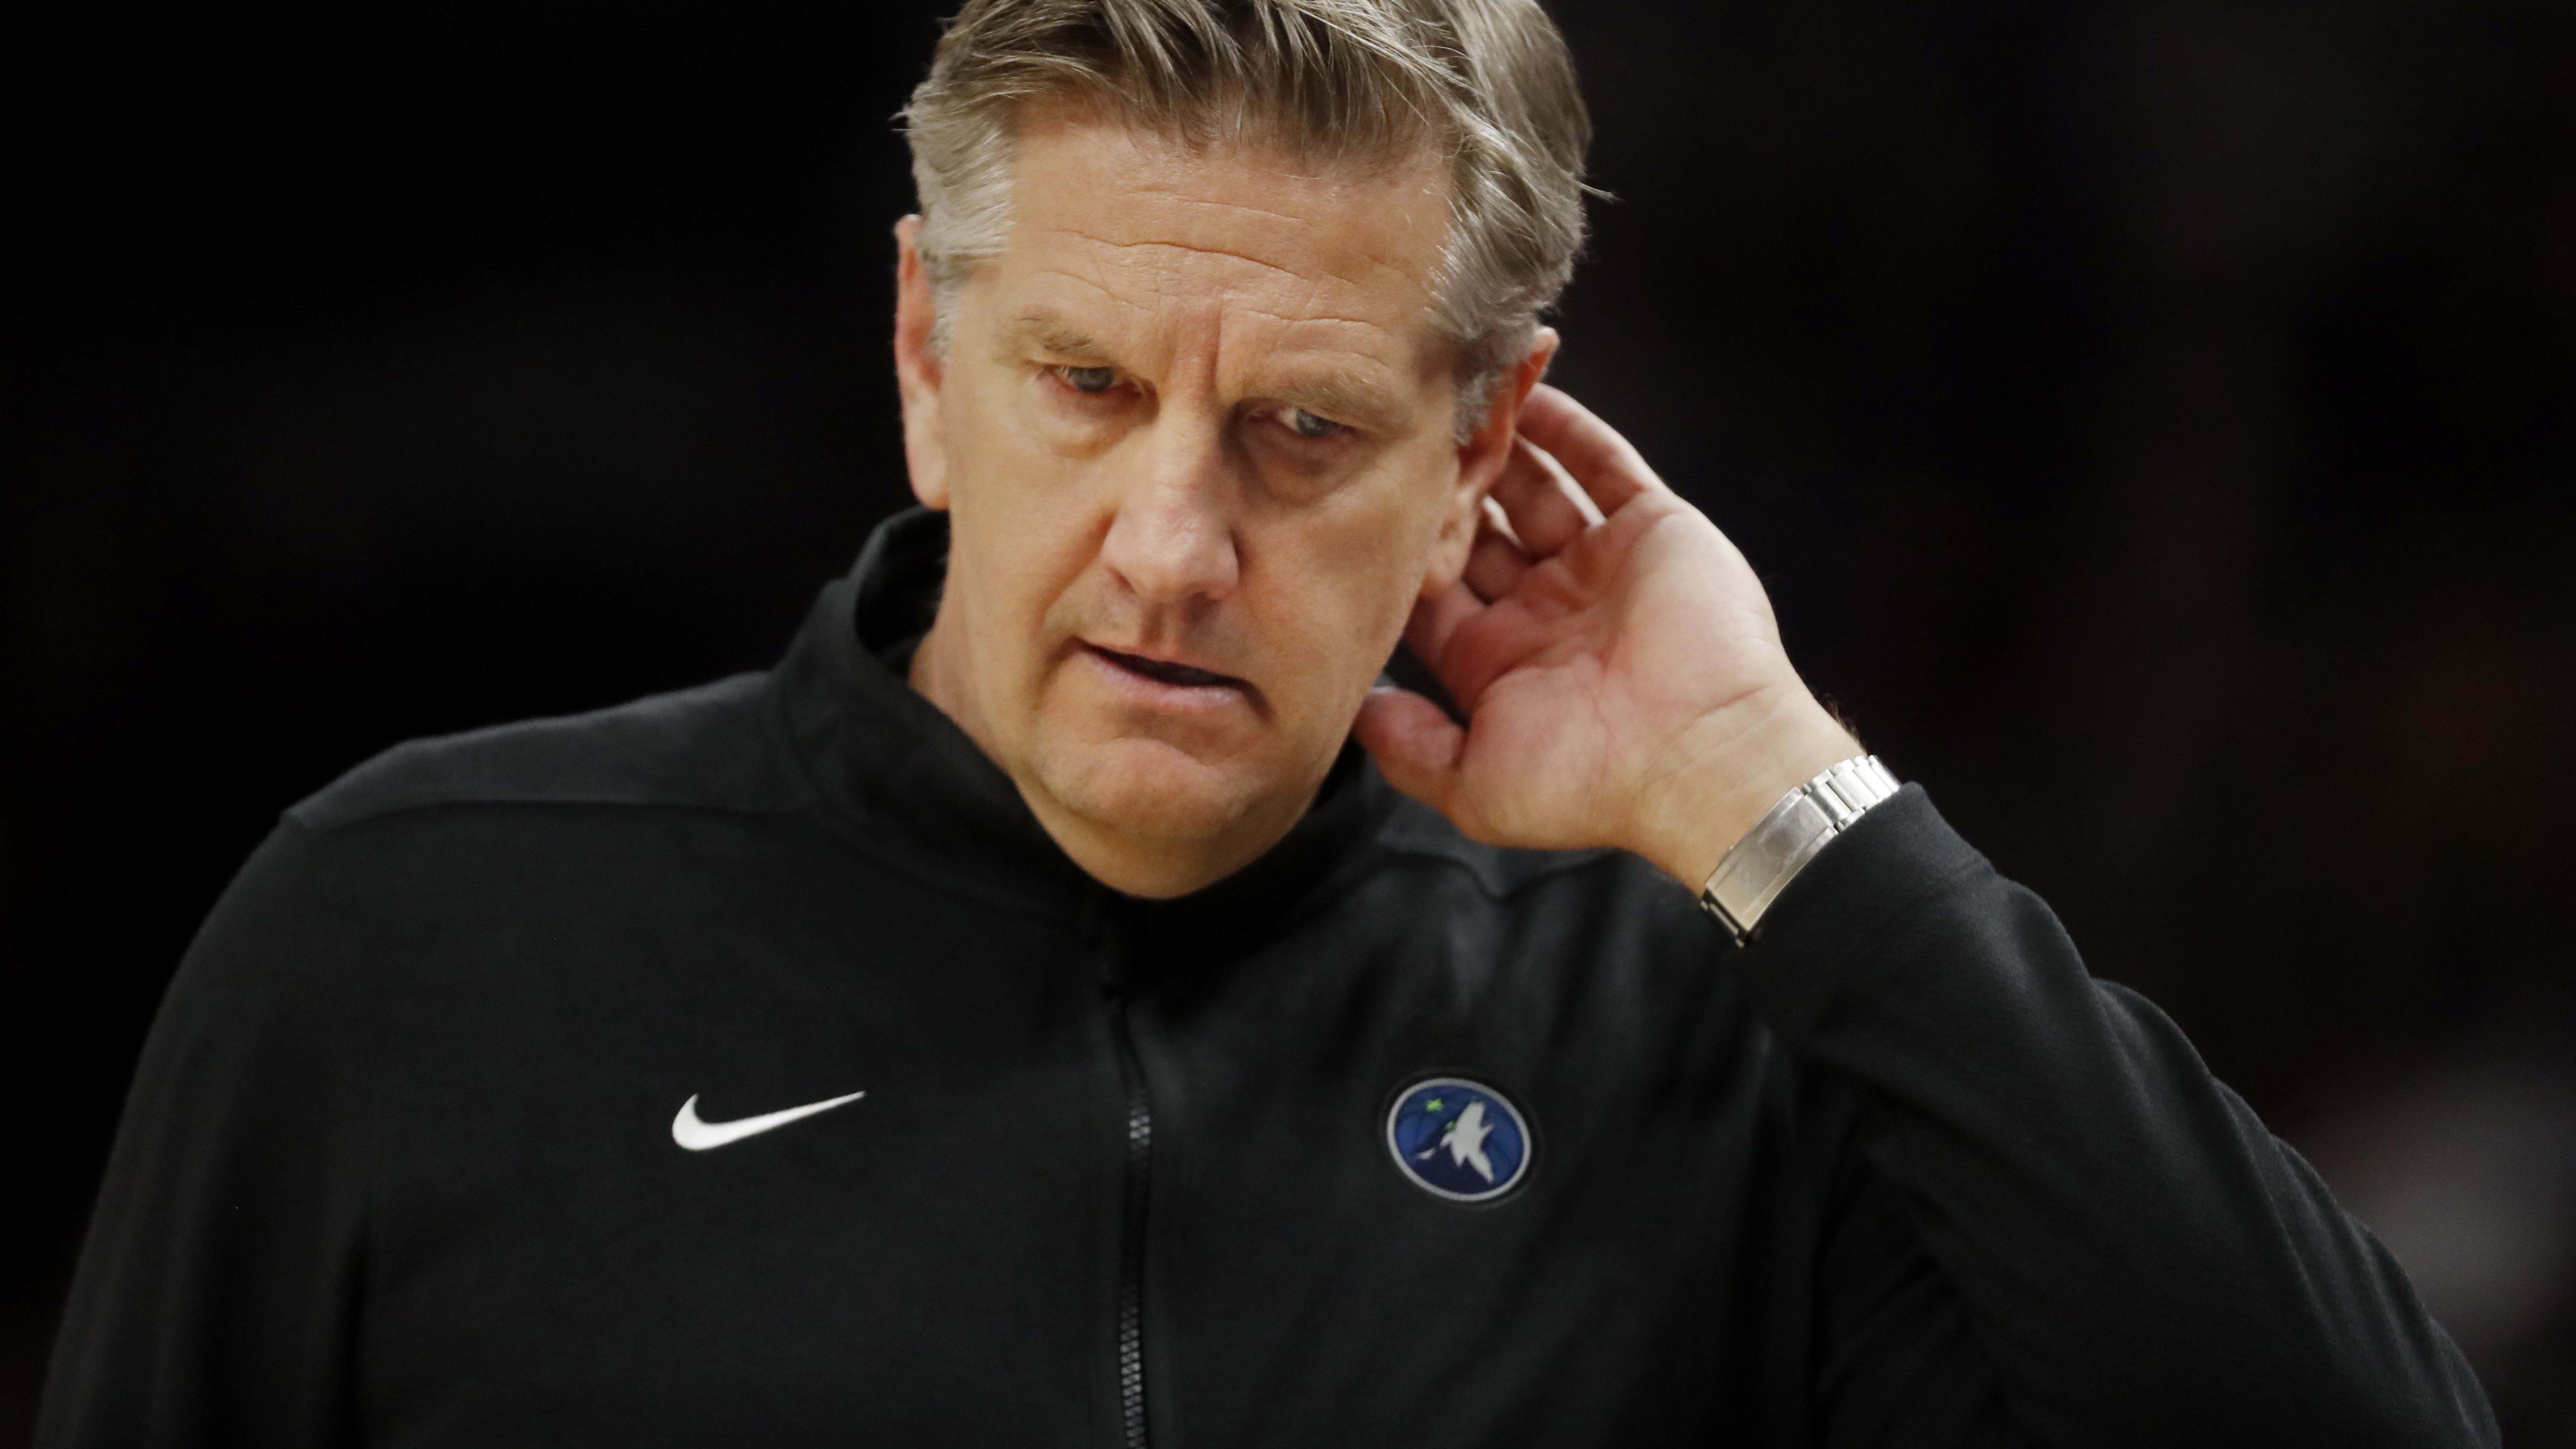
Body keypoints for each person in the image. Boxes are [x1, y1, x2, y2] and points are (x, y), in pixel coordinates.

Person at [40, 1, 2495, 1444]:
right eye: (1085, 386)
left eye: (1305, 431)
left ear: (1484, 448)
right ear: (925, 358)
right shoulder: (405, 941)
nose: (1174, 538)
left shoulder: (1679, 1024)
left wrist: (1778, 800)